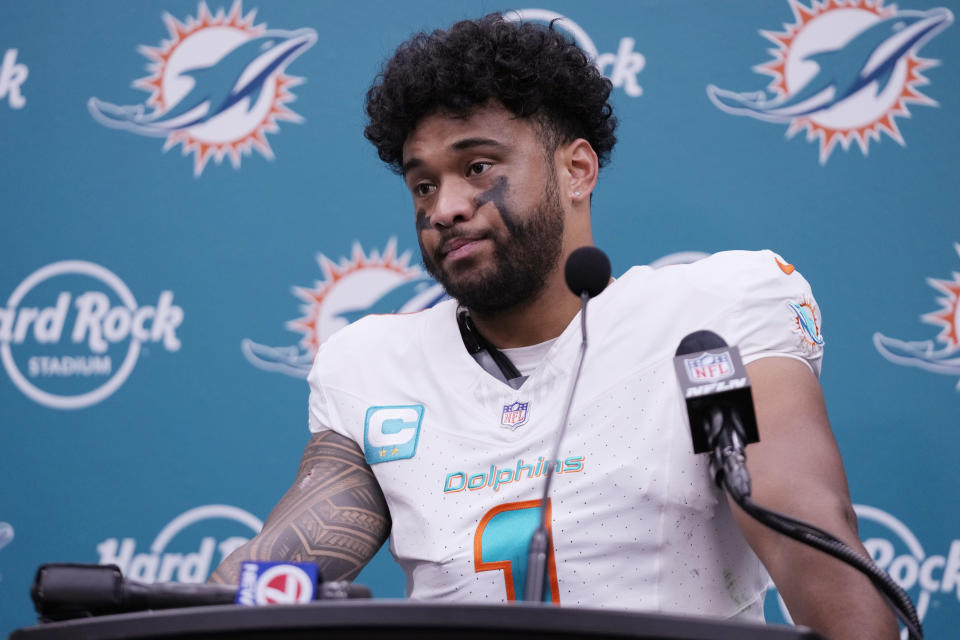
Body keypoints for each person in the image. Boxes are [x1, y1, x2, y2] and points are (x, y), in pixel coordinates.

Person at [212, 14, 897, 638]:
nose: (444, 207)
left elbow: (810, 537)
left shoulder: (712, 315)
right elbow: (282, 565)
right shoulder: (372, 364)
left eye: (477, 167)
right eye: (423, 186)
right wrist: (185, 602)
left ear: (576, 169)